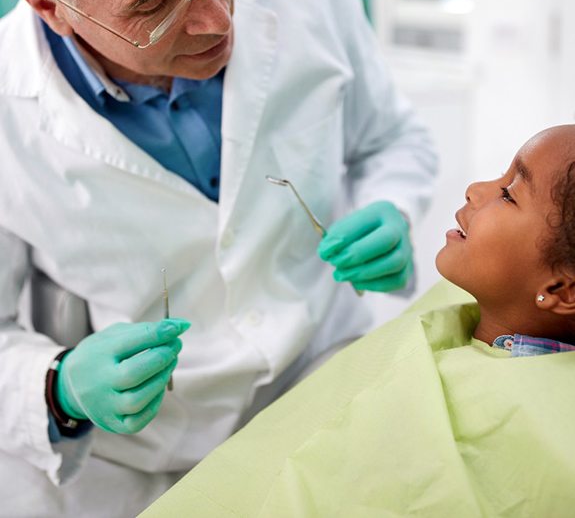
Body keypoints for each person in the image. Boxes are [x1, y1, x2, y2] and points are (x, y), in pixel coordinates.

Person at [0, 0, 437, 517]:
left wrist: (390, 204)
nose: (213, 16)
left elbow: (393, 140)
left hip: (326, 382)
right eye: (153, 2)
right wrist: (59, 386)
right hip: (139, 460)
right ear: (47, 3)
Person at [140, 124, 575, 518]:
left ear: (562, 291)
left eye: (508, 194)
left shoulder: (551, 438)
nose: (475, 188)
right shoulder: (456, 311)